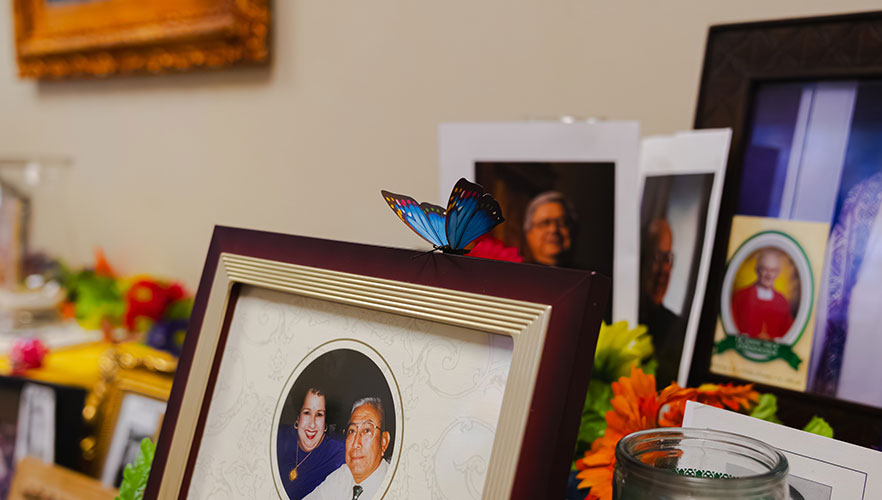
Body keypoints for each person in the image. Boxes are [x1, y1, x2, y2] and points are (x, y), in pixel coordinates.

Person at [305, 397, 391, 500]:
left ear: (383, 442)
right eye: (352, 431)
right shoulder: (342, 476)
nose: (356, 443)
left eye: (367, 430)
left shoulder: (397, 486)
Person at [638, 219, 686, 386]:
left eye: (668, 258)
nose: (664, 270)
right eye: (657, 257)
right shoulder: (613, 315)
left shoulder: (676, 328)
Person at [277, 387, 345, 500]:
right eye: (307, 413)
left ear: (325, 423)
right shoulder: (278, 437)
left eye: (319, 414)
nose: (312, 424)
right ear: (298, 418)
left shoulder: (338, 451)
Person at [731, 249, 794, 340]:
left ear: (777, 273)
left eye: (773, 270)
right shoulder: (740, 297)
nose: (769, 275)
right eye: (764, 269)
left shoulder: (782, 302)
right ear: (757, 270)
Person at [522, 192, 576, 266]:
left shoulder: (590, 276)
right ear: (528, 232)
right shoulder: (515, 275)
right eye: (544, 223)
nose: (553, 229)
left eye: (561, 223)